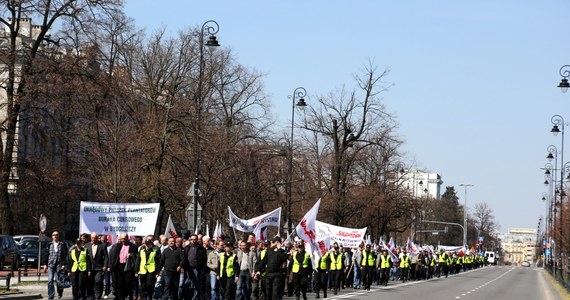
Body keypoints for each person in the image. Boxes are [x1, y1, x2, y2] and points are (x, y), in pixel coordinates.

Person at [108, 233, 138, 300]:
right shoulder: (118, 246)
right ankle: (121, 297)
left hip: (128, 267)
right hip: (119, 266)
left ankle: (130, 295)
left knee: (128, 283)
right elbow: (114, 256)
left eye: (124, 239)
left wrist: (131, 255)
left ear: (127, 238)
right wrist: (111, 266)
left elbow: (137, 256)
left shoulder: (133, 246)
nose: (123, 240)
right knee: (120, 283)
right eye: (122, 239)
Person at [42, 231, 68, 300]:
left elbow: (65, 255)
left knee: (59, 281)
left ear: (58, 236)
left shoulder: (62, 244)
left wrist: (64, 264)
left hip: (59, 265)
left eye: (56, 235)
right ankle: (51, 295)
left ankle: (60, 292)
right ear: (52, 236)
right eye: (54, 235)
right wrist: (45, 264)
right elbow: (45, 254)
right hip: (51, 265)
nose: (55, 236)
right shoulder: (49, 244)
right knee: (50, 280)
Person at [183, 234, 208, 300]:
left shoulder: (201, 248)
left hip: (197, 268)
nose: (193, 241)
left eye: (194, 239)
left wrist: (202, 267)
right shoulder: (187, 247)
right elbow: (184, 258)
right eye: (192, 239)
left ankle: (194, 298)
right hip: (188, 268)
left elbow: (204, 259)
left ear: (197, 240)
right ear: (190, 240)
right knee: (187, 283)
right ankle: (187, 297)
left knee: (195, 284)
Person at [85, 232, 108, 300]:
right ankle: (90, 296)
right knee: (90, 283)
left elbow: (106, 256)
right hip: (90, 268)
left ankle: (98, 296)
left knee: (98, 281)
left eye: (95, 238)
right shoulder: (87, 245)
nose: (93, 239)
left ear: (97, 238)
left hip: (99, 268)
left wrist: (105, 265)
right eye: (92, 238)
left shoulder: (102, 245)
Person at [98, 235, 112, 299]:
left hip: (107, 265)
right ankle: (99, 292)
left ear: (107, 239)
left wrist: (109, 266)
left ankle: (106, 292)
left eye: (104, 240)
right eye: (102, 240)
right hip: (100, 265)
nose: (103, 241)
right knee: (99, 280)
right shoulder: (99, 245)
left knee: (107, 281)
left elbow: (110, 257)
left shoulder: (110, 246)